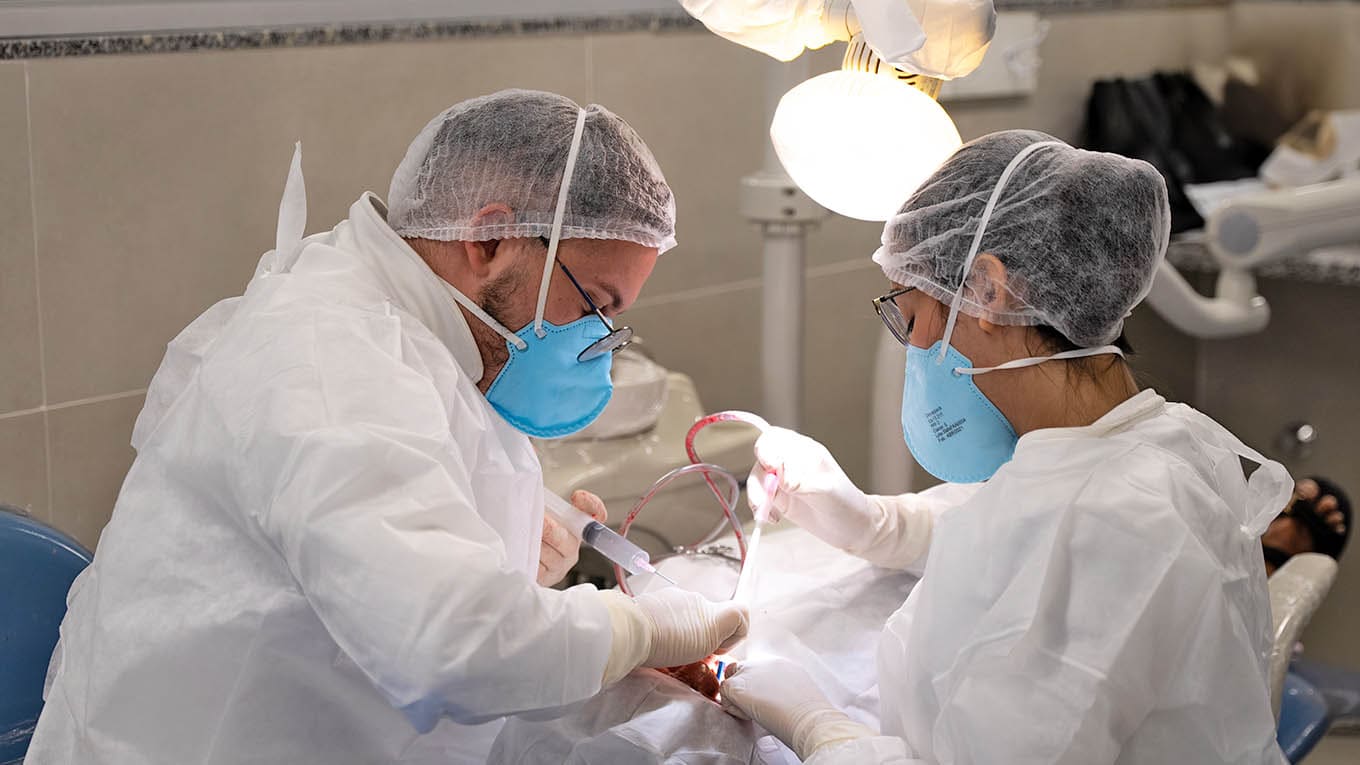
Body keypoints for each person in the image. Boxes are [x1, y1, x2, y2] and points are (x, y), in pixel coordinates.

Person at [26, 90, 748, 764]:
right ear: (491, 239)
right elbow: (451, 642)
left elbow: (442, 641)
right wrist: (636, 630)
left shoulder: (430, 342)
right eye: (595, 305)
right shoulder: (329, 358)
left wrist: (593, 647)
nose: (597, 339)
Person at [719, 130, 1291, 764]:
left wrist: (816, 727)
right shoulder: (1142, 442)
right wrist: (878, 525)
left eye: (910, 318)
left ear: (988, 291)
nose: (912, 349)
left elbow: (1076, 552)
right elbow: (1021, 536)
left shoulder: (1123, 520)